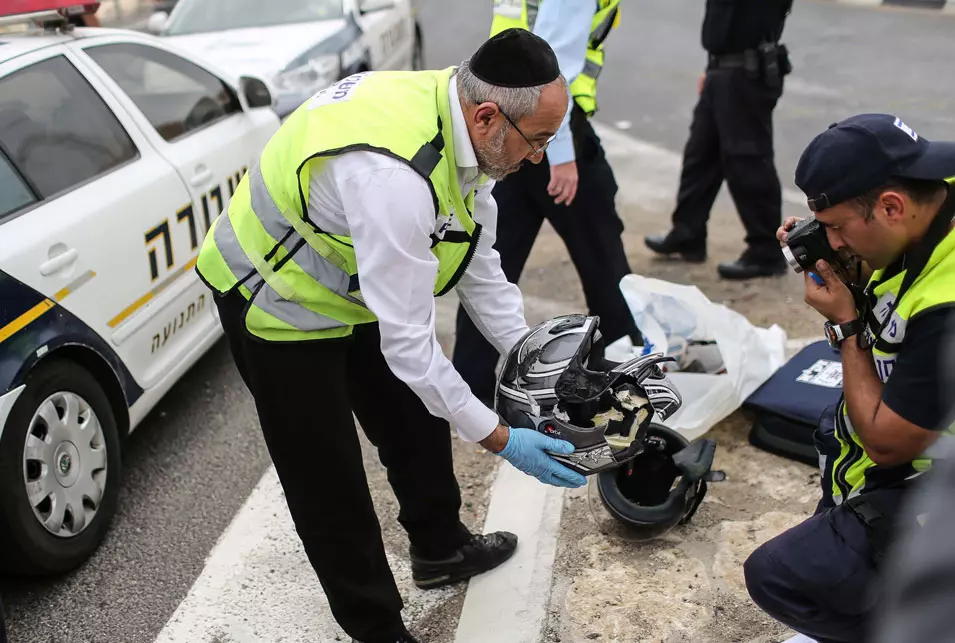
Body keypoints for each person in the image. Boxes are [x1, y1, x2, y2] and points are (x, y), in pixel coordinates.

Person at [194, 29, 588, 643]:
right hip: (277, 299)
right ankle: (377, 628)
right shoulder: (393, 177)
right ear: (488, 117)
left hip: (355, 282)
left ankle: (440, 549)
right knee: (329, 479)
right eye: (535, 141)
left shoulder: (463, 123)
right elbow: (411, 347)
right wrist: (501, 437)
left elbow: (482, 270)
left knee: (416, 422)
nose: (537, 157)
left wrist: (540, 367)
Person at [742, 114, 955, 643]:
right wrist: (841, 259)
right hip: (891, 474)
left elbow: (887, 442)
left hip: (928, 486)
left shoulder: (947, 306)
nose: (833, 242)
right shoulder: (931, 204)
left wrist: (846, 325)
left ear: (890, 205)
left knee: (778, 576)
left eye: (837, 226)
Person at [453, 0, 643, 405]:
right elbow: (555, 71)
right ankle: (628, 371)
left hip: (511, 125)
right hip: (549, 131)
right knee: (603, 255)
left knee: (491, 260)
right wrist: (561, 157)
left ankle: (471, 379)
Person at [644, 0, 794, 280]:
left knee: (747, 160)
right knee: (700, 155)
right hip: (721, 69)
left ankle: (765, 252)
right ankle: (688, 233)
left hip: (746, 72)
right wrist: (712, 67)